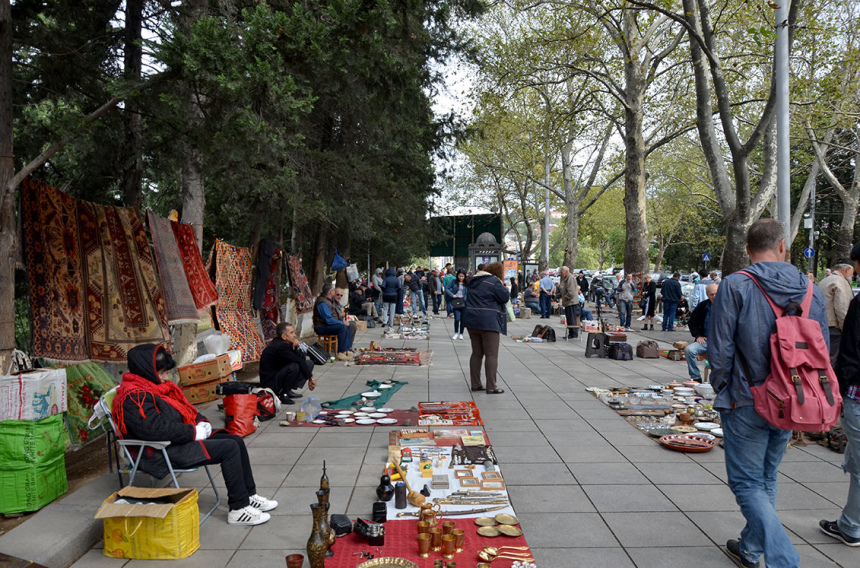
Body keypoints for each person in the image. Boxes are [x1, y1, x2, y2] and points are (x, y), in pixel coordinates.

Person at [710, 219, 828, 568]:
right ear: (782, 246)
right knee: (766, 477)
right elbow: (822, 352)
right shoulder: (812, 290)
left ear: (747, 249)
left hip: (747, 397)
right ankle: (750, 549)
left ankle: (784, 559)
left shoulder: (735, 285)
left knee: (747, 483)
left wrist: (722, 387)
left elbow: (720, 349)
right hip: (793, 399)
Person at [114, 344, 277, 526]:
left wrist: (201, 422)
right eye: (162, 372)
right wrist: (193, 432)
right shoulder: (133, 397)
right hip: (161, 451)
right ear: (146, 370)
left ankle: (248, 495)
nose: (166, 377)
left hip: (177, 440)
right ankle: (238, 509)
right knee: (229, 448)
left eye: (166, 372)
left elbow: (186, 409)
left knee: (235, 439)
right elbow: (154, 429)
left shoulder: (157, 387)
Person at [820, 242, 860, 547]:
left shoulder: (856, 302)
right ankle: (850, 524)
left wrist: (842, 392)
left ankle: (851, 526)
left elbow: (850, 351)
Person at [463, 262, 509, 394]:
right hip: (488, 322)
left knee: (476, 353)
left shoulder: (473, 281)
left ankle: (476, 384)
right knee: (491, 355)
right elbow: (505, 297)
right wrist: (502, 284)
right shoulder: (494, 282)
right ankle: (491, 386)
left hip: (472, 321)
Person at [259, 323, 317, 404]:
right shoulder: (280, 346)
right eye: (291, 333)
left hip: (279, 375)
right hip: (270, 383)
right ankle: (282, 393)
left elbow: (302, 359)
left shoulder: (287, 343)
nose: (295, 335)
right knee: (294, 367)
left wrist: (297, 348)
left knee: (308, 363)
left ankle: (287, 390)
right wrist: (310, 378)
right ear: (284, 336)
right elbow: (298, 361)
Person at [818, 260, 855, 367]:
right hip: (835, 328)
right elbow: (841, 308)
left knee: (824, 358)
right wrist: (846, 329)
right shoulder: (840, 282)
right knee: (833, 361)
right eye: (853, 273)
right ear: (847, 269)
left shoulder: (824, 280)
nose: (853, 276)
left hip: (822, 325)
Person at [685, 283, 718, 381]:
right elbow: (692, 322)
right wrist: (698, 335)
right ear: (707, 295)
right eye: (711, 294)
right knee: (689, 350)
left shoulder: (727, 306)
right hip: (706, 340)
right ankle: (696, 377)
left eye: (716, 294)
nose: (714, 296)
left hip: (721, 341)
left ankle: (720, 379)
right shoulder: (703, 306)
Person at [313, 283, 353, 361]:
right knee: (342, 327)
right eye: (334, 290)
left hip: (326, 325)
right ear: (331, 292)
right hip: (321, 327)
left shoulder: (329, 300)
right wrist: (341, 323)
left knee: (348, 325)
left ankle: (346, 349)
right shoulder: (323, 302)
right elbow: (328, 319)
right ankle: (341, 352)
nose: (335, 292)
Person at [446, 270, 468, 339]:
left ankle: (461, 333)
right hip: (456, 301)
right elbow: (447, 288)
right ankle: (456, 333)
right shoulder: (454, 282)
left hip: (464, 302)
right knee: (457, 319)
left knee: (463, 319)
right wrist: (452, 295)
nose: (461, 278)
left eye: (462, 276)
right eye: (459, 276)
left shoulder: (467, 283)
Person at [558, 266, 579, 339]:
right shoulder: (567, 278)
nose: (561, 274)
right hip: (569, 302)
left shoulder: (570, 278)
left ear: (566, 272)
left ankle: (573, 333)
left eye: (562, 272)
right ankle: (572, 333)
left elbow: (571, 292)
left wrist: (565, 298)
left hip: (571, 302)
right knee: (570, 318)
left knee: (571, 318)